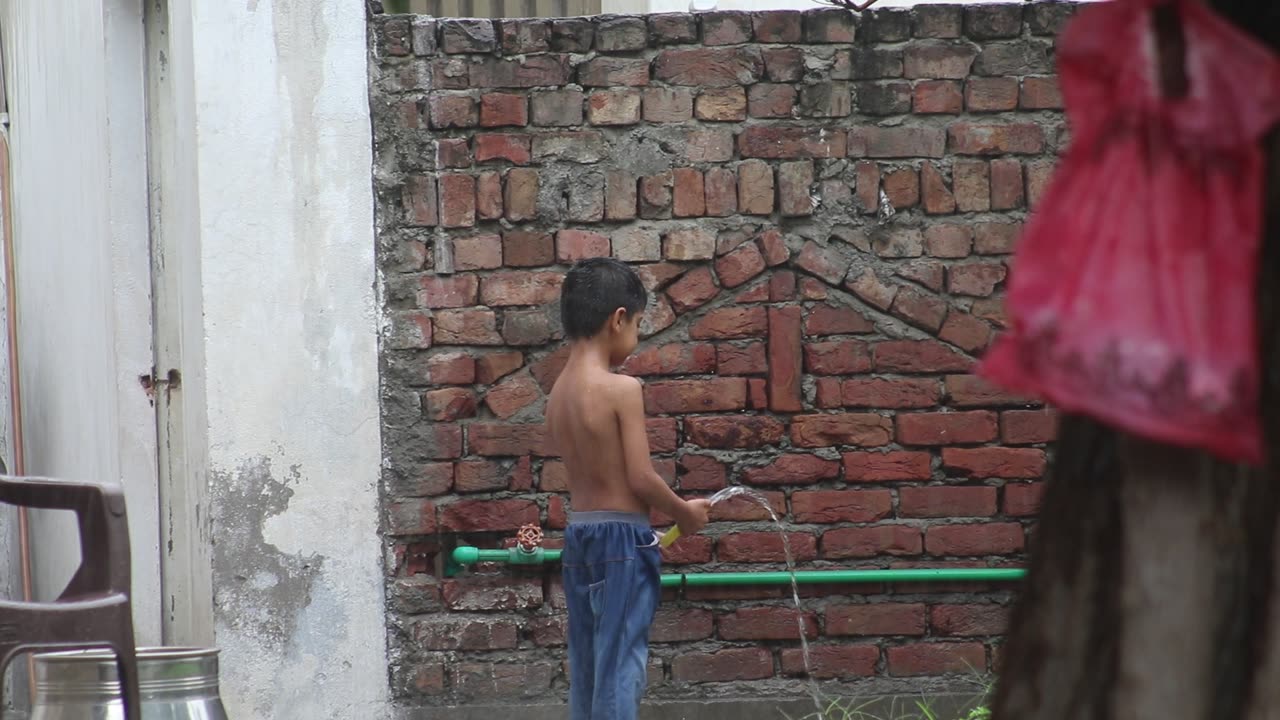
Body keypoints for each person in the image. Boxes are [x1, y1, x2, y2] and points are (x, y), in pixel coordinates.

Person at [545, 257, 711, 720]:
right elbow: (640, 478)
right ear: (618, 318)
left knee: (588, 664)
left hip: (580, 540)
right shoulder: (621, 389)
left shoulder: (557, 394)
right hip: (622, 541)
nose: (635, 333)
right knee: (620, 662)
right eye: (637, 323)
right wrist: (684, 514)